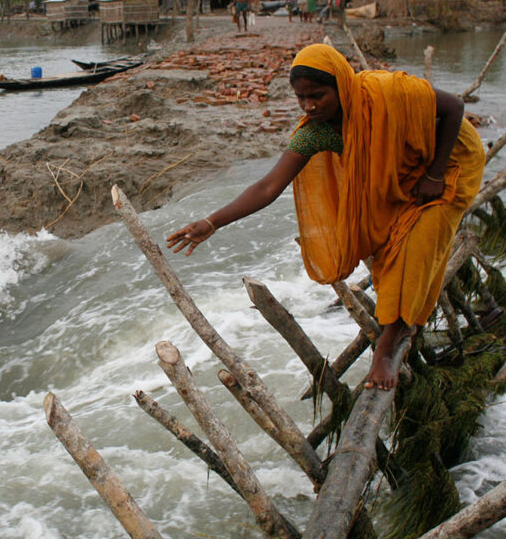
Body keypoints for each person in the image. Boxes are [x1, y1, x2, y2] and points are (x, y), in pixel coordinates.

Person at [166, 43, 485, 391]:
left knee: (421, 238)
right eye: (301, 98)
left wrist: (435, 175)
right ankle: (400, 316)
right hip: (406, 174)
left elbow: (454, 107)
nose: (310, 106)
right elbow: (269, 186)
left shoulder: (386, 91)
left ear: (342, 85)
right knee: (389, 242)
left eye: (318, 95)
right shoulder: (315, 131)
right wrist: (212, 223)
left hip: (450, 160)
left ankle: (390, 343)